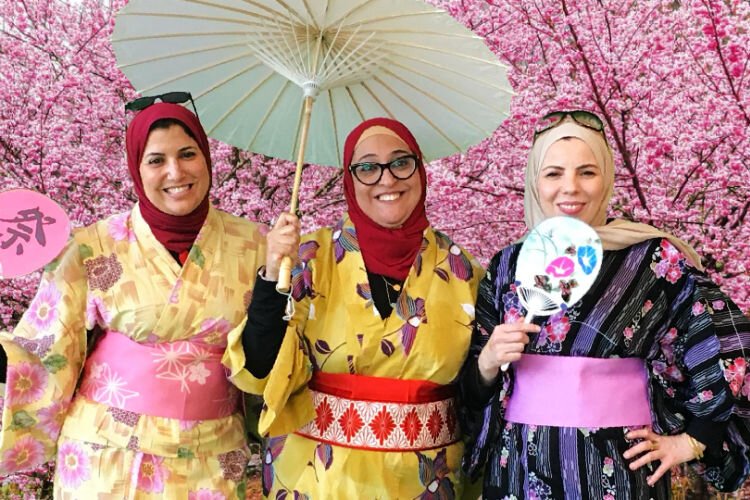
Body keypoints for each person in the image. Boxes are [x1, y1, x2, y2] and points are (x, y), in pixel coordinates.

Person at [461, 110, 750, 499]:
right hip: (518, 469)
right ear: (535, 181)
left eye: (587, 172)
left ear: (607, 177)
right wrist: (488, 362)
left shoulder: (651, 259)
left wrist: (694, 439)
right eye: (553, 174)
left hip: (615, 469)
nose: (570, 188)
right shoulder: (507, 266)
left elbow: (725, 339)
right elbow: (471, 391)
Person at [0, 100, 267, 497]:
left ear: (207, 158)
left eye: (188, 154)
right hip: (107, 453)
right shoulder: (92, 246)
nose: (176, 172)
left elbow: (273, 353)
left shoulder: (256, 244)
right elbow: (46, 346)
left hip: (214, 456)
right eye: (156, 160)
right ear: (136, 171)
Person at [222, 117, 484, 498]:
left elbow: (479, 391)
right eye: (367, 168)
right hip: (318, 478)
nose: (387, 179)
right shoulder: (310, 258)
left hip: (426, 480)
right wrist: (272, 274)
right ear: (349, 178)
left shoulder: (463, 272)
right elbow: (259, 369)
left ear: (420, 169)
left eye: (400, 162)